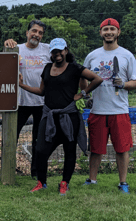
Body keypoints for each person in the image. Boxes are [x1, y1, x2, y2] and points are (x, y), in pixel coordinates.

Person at [19, 38, 103, 195]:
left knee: (69, 150)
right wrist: (22, 85)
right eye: (54, 51)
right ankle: (41, 182)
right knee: (40, 150)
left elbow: (97, 79)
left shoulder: (74, 68)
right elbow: (42, 91)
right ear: (51, 53)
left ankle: (65, 183)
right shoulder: (47, 68)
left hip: (68, 117)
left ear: (65, 50)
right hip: (49, 116)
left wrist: (82, 94)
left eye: (60, 50)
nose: (57, 54)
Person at [82, 18, 136, 193]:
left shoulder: (127, 55)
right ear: (100, 33)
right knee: (96, 149)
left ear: (118, 32)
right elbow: (82, 77)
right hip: (97, 110)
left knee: (122, 149)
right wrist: (86, 94)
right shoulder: (92, 55)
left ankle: (123, 182)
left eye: (112, 29)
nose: (109, 32)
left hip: (119, 110)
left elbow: (134, 82)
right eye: (105, 29)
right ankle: (92, 179)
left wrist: (124, 84)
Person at [4, 20, 51, 178]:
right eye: (34, 31)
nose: (37, 35)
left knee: (38, 140)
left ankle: (36, 173)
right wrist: (6, 44)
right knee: (11, 137)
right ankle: (8, 171)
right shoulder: (17, 49)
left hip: (41, 102)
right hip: (20, 102)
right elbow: (3, 60)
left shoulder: (48, 49)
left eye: (40, 33)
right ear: (27, 32)